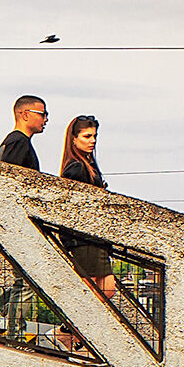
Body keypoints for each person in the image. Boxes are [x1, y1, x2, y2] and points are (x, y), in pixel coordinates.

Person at [59, 115, 118, 300]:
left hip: (92, 239)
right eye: (87, 136)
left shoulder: (86, 165)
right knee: (90, 292)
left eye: (94, 136)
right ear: (74, 139)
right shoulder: (76, 168)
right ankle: (65, 329)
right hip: (84, 240)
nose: (92, 141)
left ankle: (69, 329)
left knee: (105, 290)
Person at [0, 95, 49, 172]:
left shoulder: (14, 140)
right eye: (42, 114)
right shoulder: (18, 142)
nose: (46, 119)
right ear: (25, 115)